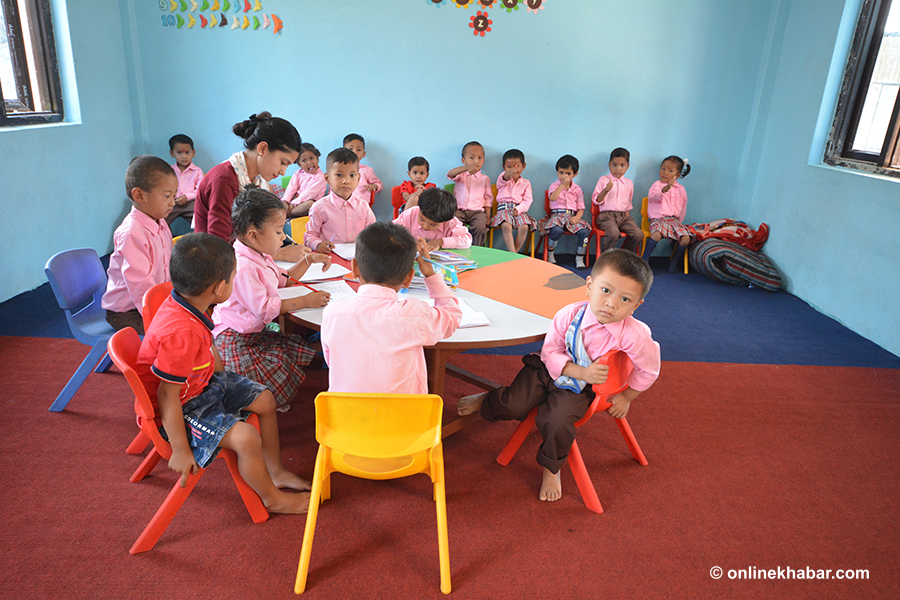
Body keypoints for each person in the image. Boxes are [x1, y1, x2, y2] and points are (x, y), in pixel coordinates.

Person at [458, 249, 660, 503]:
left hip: (583, 388)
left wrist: (627, 396)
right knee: (513, 403)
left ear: (636, 305)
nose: (611, 303)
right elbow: (550, 352)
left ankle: (552, 467)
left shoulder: (636, 335)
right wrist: (579, 370)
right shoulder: (568, 315)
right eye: (606, 291)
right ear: (590, 285)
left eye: (625, 299)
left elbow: (649, 369)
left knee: (556, 420)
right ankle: (488, 400)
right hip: (548, 371)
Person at [135, 232, 310, 514]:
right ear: (219, 288)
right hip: (182, 406)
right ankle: (271, 497)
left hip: (201, 384)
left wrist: (219, 369)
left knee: (265, 399)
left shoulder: (189, 302)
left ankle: (275, 471)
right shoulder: (181, 332)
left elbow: (206, 343)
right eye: (233, 277)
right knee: (246, 438)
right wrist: (179, 449)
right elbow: (166, 394)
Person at [212, 188, 332, 410]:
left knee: (291, 350)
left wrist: (307, 260)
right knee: (268, 383)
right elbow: (266, 310)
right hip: (234, 338)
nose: (284, 237)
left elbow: (282, 280)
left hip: (251, 332)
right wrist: (306, 301)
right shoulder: (244, 266)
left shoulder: (258, 253)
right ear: (253, 235)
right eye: (278, 231)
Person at [321, 222, 462, 394]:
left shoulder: (332, 314)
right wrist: (430, 275)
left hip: (345, 417)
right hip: (403, 417)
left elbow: (332, 360)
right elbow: (452, 316)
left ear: (355, 268)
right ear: (409, 277)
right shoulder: (416, 315)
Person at [193, 112, 307, 262]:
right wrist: (278, 254)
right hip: (215, 269)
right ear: (262, 148)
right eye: (283, 162)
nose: (283, 171)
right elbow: (219, 246)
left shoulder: (259, 180)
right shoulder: (224, 179)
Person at [102, 155, 176, 335]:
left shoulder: (160, 221)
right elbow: (141, 285)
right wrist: (163, 316)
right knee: (176, 333)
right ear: (139, 195)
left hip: (153, 300)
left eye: (174, 195)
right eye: (167, 196)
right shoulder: (131, 233)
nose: (173, 202)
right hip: (127, 312)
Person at [303, 147, 376, 253]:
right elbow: (309, 236)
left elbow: (373, 233)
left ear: (358, 178)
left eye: (352, 175)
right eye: (339, 175)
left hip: (359, 258)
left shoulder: (364, 207)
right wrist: (318, 244)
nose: (346, 181)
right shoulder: (320, 207)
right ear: (328, 178)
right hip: (330, 260)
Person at [641, 155, 692, 272]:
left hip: (674, 221)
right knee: (656, 235)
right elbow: (652, 197)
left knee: (686, 239)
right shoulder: (657, 185)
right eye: (663, 169)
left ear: (677, 175)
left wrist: (679, 222)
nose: (664, 173)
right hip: (658, 220)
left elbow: (683, 207)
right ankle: (644, 260)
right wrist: (665, 189)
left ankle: (673, 261)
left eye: (670, 171)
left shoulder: (681, 189)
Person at [540, 154, 590, 268]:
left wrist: (577, 218)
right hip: (557, 216)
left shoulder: (577, 189)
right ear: (557, 172)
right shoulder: (554, 185)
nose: (564, 176)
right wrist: (562, 185)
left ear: (574, 174)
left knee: (584, 233)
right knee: (556, 230)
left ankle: (579, 257)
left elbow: (581, 208)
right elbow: (552, 198)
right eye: (561, 172)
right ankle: (551, 253)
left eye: (568, 173)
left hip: (572, 216)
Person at [592, 147, 643, 254]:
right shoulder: (604, 180)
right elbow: (596, 200)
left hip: (623, 217)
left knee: (638, 234)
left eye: (622, 165)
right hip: (606, 216)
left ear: (627, 166)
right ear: (609, 164)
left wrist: (628, 220)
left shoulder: (629, 183)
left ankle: (624, 255)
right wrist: (606, 190)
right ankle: (606, 259)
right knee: (613, 233)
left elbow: (628, 205)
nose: (618, 169)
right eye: (614, 165)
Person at [393, 187, 472, 251]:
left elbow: (466, 240)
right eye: (422, 219)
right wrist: (409, 242)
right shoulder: (410, 214)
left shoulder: (451, 222)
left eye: (433, 225)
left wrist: (440, 242)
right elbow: (391, 232)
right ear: (419, 208)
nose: (426, 226)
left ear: (445, 221)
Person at [447, 141, 493, 247]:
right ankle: (456, 246)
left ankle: (478, 249)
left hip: (477, 212)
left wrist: (488, 216)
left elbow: (488, 199)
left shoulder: (485, 179)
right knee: (452, 225)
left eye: (479, 158)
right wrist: (467, 168)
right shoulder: (461, 175)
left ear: (483, 160)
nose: (476, 161)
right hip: (459, 210)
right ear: (464, 160)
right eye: (471, 158)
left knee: (480, 227)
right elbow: (450, 174)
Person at [490, 148, 536, 253]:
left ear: (523, 166)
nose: (513, 170)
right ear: (504, 167)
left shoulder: (526, 183)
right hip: (503, 210)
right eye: (509, 167)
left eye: (517, 166)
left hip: (519, 210)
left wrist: (519, 209)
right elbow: (504, 178)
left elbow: (528, 200)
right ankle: (513, 254)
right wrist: (508, 173)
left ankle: (514, 252)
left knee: (524, 227)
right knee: (506, 226)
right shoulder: (502, 179)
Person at [282, 142, 327, 218]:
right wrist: (285, 201)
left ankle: (288, 214)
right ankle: (285, 209)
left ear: (317, 158)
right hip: (295, 200)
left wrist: (292, 204)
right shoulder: (298, 173)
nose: (309, 163)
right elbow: (291, 189)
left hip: (307, 203)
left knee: (310, 204)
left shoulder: (321, 178)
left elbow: (307, 194)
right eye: (304, 161)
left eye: (311, 158)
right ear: (299, 164)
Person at [168, 134, 203, 227]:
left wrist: (186, 197)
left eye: (187, 152)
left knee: (202, 219)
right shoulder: (168, 171)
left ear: (193, 153)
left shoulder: (197, 171)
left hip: (190, 203)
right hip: (172, 203)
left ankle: (203, 239)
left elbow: (200, 191)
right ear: (172, 153)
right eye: (179, 153)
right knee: (159, 220)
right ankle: (165, 239)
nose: (184, 156)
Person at [343, 133, 383, 206]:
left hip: (361, 206)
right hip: (342, 205)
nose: (354, 152)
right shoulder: (339, 170)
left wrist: (374, 186)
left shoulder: (367, 170)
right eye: (350, 149)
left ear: (363, 154)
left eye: (358, 149)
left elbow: (379, 184)